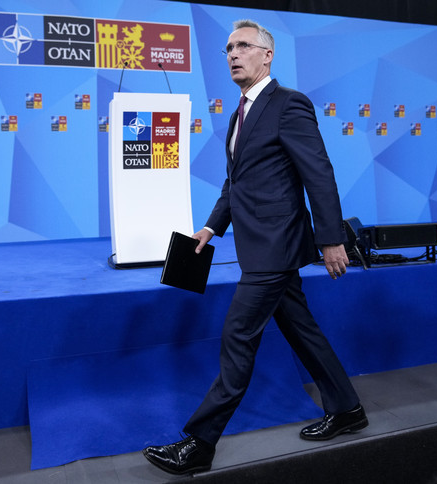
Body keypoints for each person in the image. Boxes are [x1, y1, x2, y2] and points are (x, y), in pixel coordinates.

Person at [142, 19, 368, 475]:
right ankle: (347, 409)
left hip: (275, 245)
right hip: (258, 244)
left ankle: (199, 443)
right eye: (228, 48)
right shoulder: (238, 113)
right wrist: (210, 228)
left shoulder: (289, 105)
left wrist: (331, 239)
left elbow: (318, 174)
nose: (232, 54)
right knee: (302, 329)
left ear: (267, 55)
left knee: (237, 338)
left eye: (243, 46)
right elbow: (236, 183)